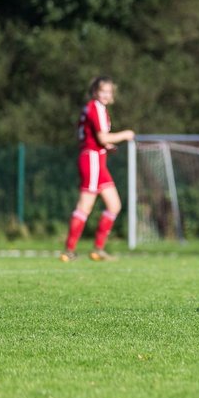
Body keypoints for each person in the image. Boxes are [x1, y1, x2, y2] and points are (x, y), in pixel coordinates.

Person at [60, 76, 136, 262]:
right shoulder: (96, 108)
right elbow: (102, 137)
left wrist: (108, 147)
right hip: (92, 159)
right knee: (85, 206)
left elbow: (95, 138)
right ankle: (68, 251)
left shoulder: (96, 108)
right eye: (102, 91)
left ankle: (98, 249)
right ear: (95, 92)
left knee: (114, 205)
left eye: (109, 92)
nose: (106, 95)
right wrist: (125, 134)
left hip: (97, 160)